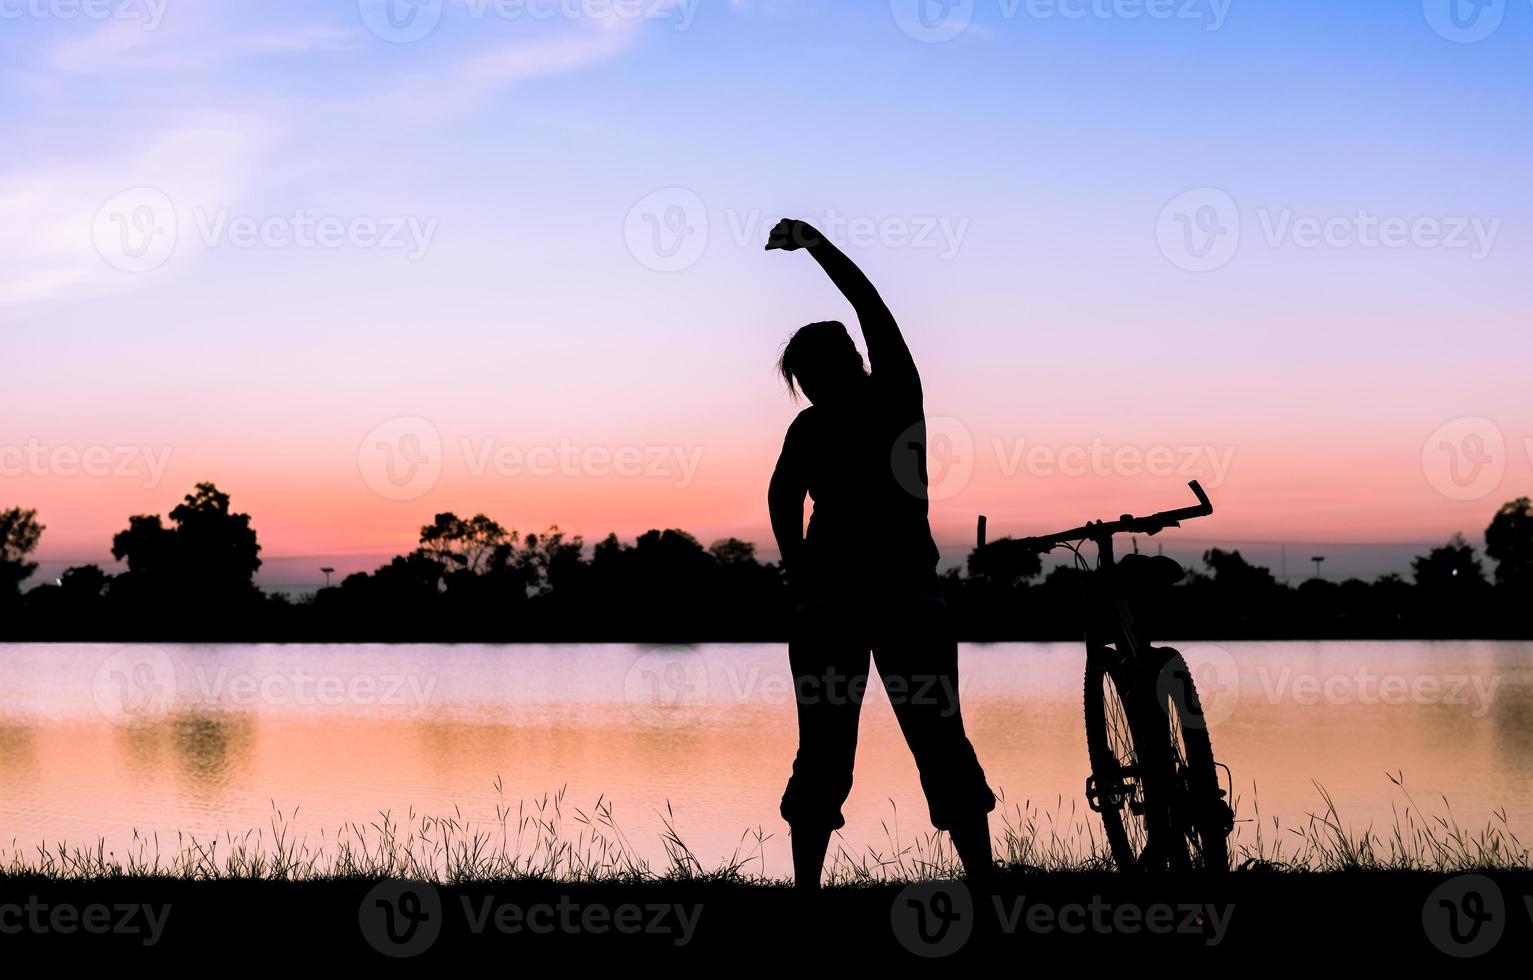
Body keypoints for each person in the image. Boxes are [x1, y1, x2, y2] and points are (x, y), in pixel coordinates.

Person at [765, 217, 995, 890]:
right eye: (802, 376)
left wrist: (816, 247)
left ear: (845, 363)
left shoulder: (878, 404)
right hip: (871, 603)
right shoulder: (847, 414)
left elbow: (869, 306)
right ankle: (975, 883)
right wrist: (797, 569)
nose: (809, 384)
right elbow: (781, 497)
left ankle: (973, 881)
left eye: (811, 371)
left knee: (871, 746)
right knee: (898, 744)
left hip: (869, 603)